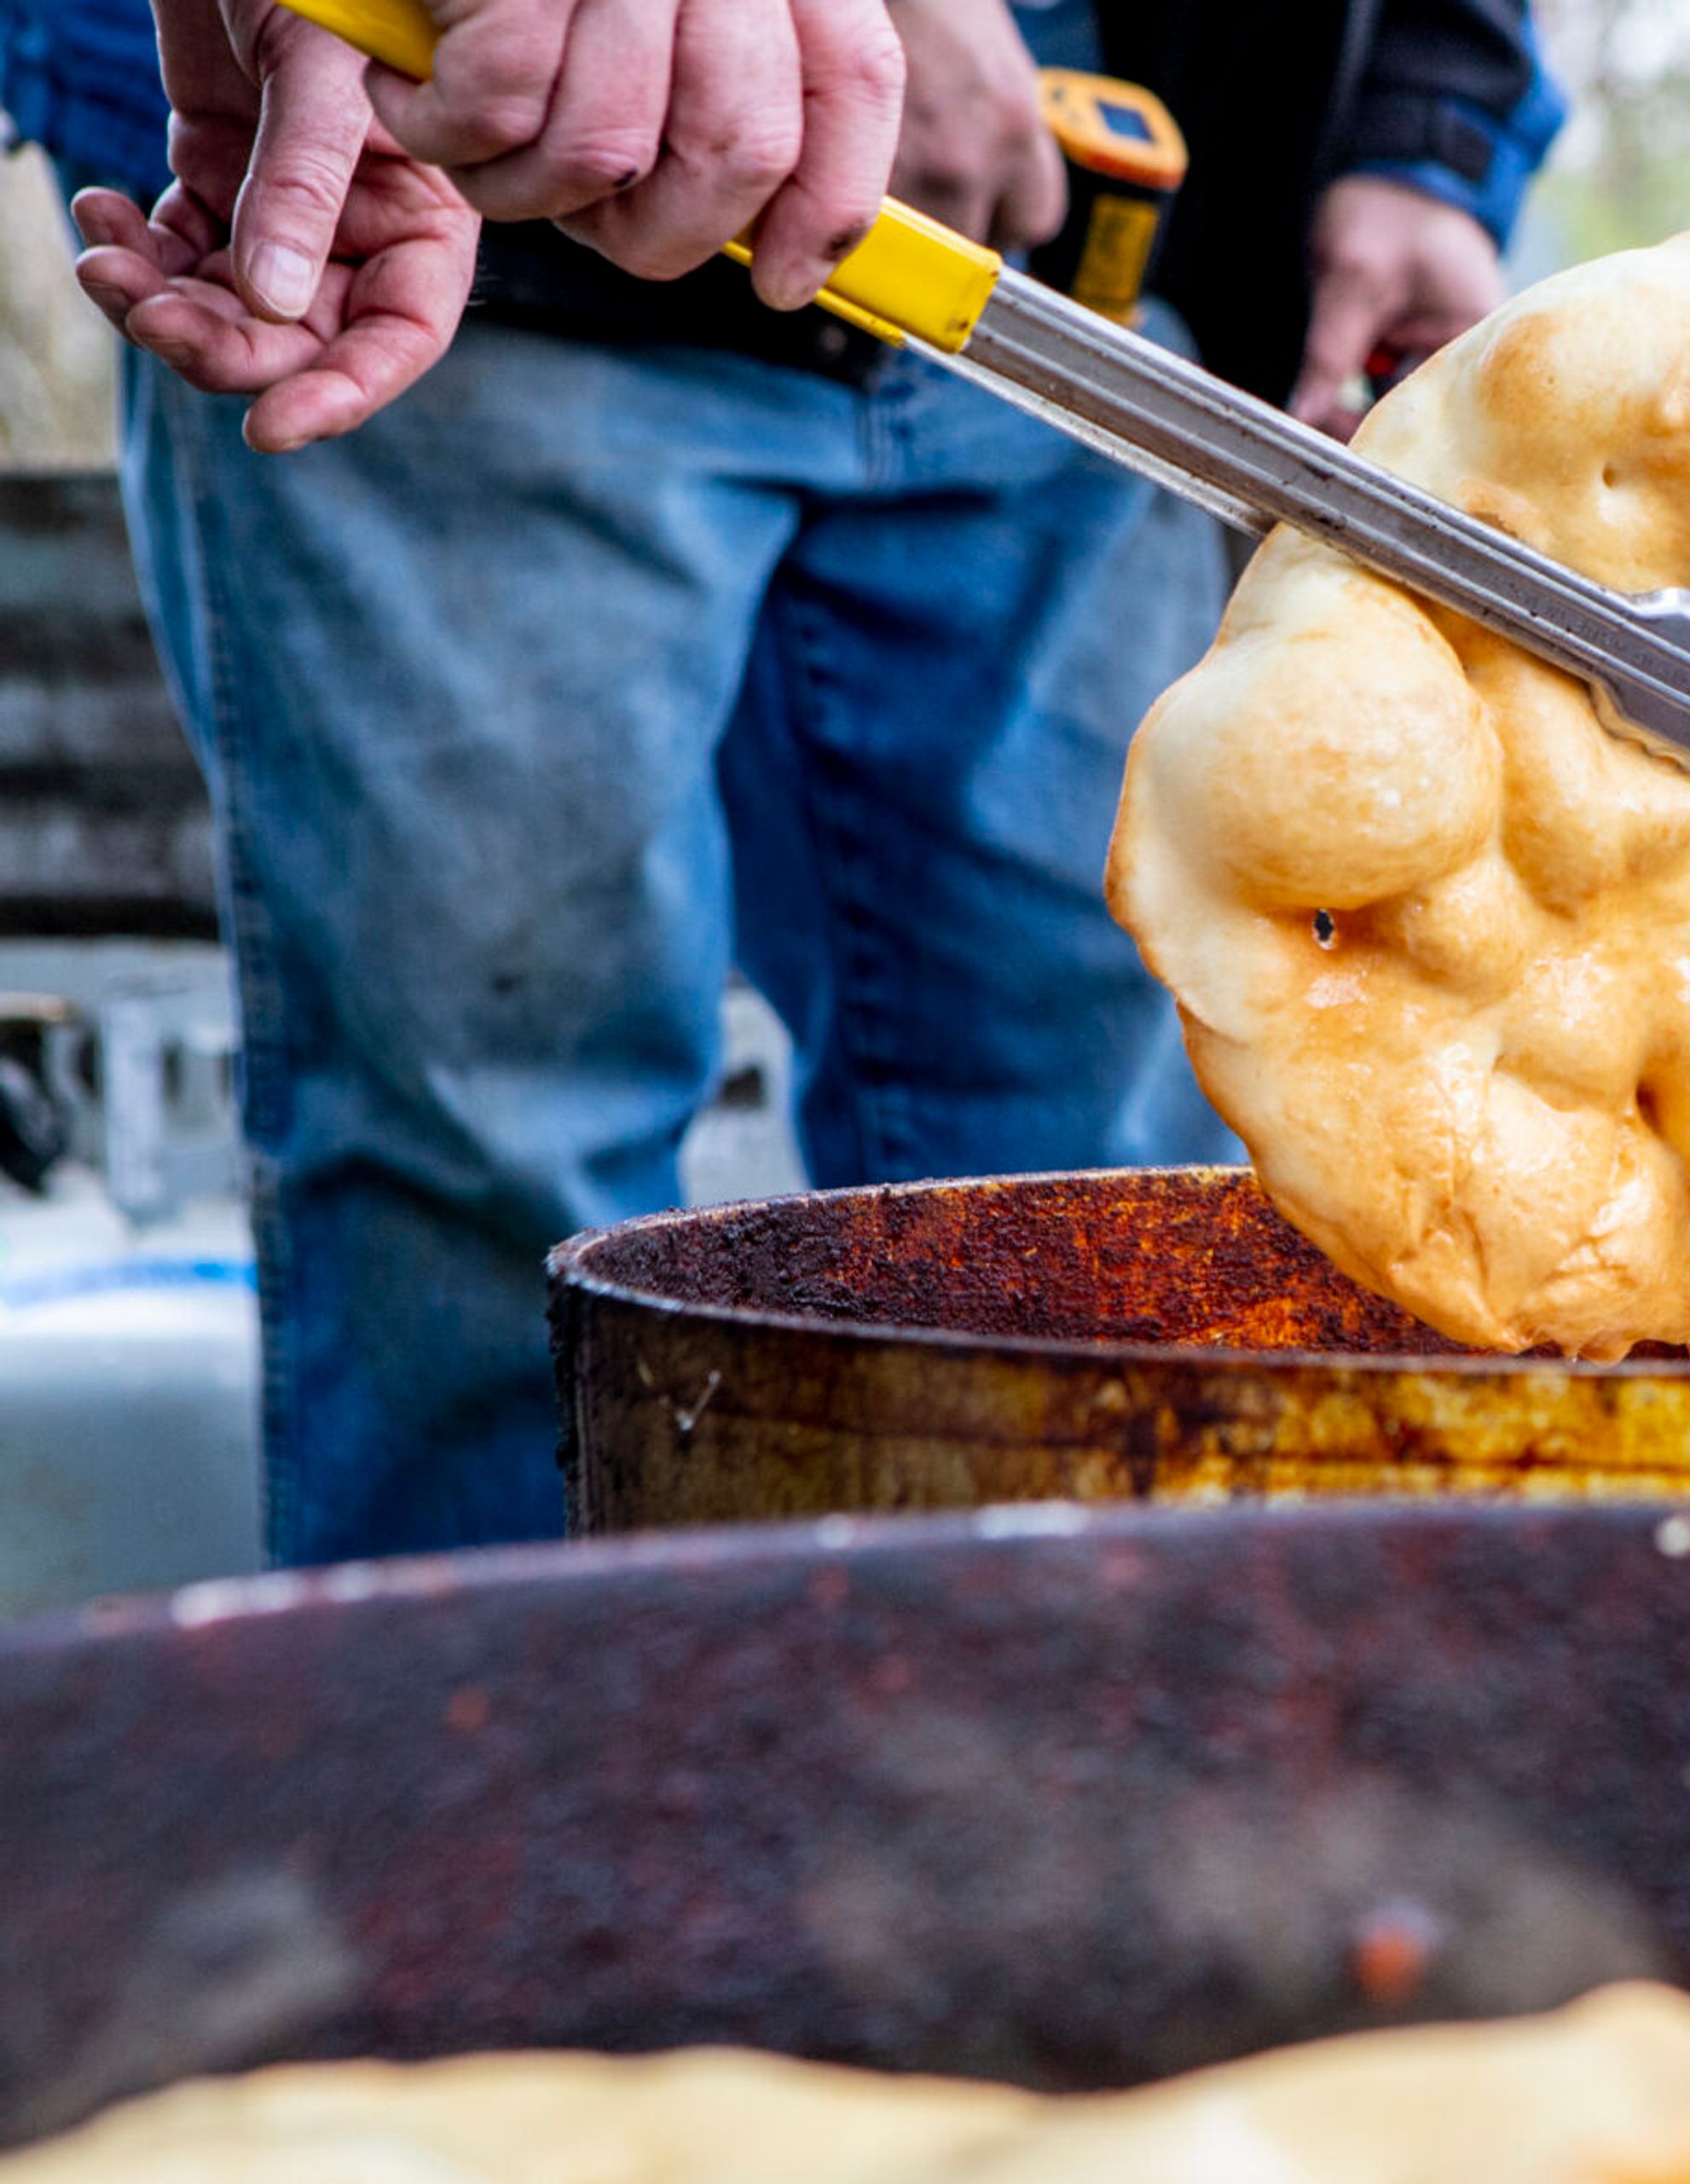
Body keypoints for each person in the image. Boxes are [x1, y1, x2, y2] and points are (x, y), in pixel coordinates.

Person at [3, 0, 1561, 1562]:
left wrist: (1420, 121)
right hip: (472, 221)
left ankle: (1053, 1774)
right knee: (486, 1191)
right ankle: (506, 1770)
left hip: (1049, 269)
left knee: (1104, 1202)